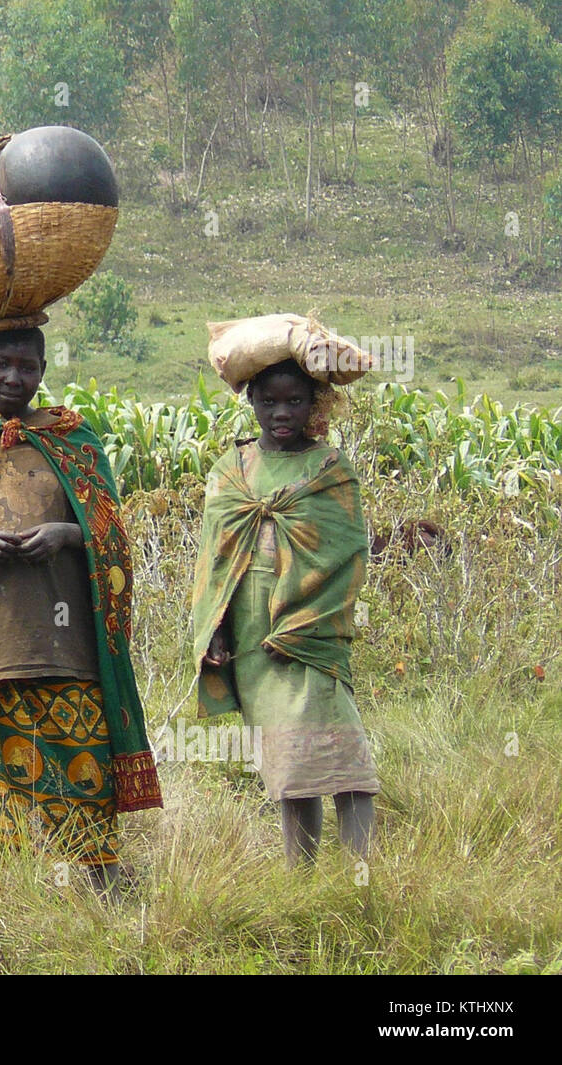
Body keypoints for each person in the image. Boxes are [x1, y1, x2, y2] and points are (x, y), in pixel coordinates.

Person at [0, 326, 162, 893]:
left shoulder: (74, 442)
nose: (13, 378)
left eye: (27, 366)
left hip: (64, 651)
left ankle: (106, 905)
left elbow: (112, 537)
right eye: (2, 364)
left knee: (84, 787)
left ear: (44, 369)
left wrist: (67, 533)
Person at [193, 357, 379, 865]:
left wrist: (306, 615)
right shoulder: (230, 470)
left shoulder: (329, 469)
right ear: (250, 400)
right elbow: (213, 561)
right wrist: (213, 630)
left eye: (295, 401)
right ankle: (301, 880)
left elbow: (346, 552)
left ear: (314, 404)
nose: (281, 412)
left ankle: (362, 876)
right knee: (288, 764)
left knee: (344, 752)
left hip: (310, 631)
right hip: (253, 637)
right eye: (269, 401)